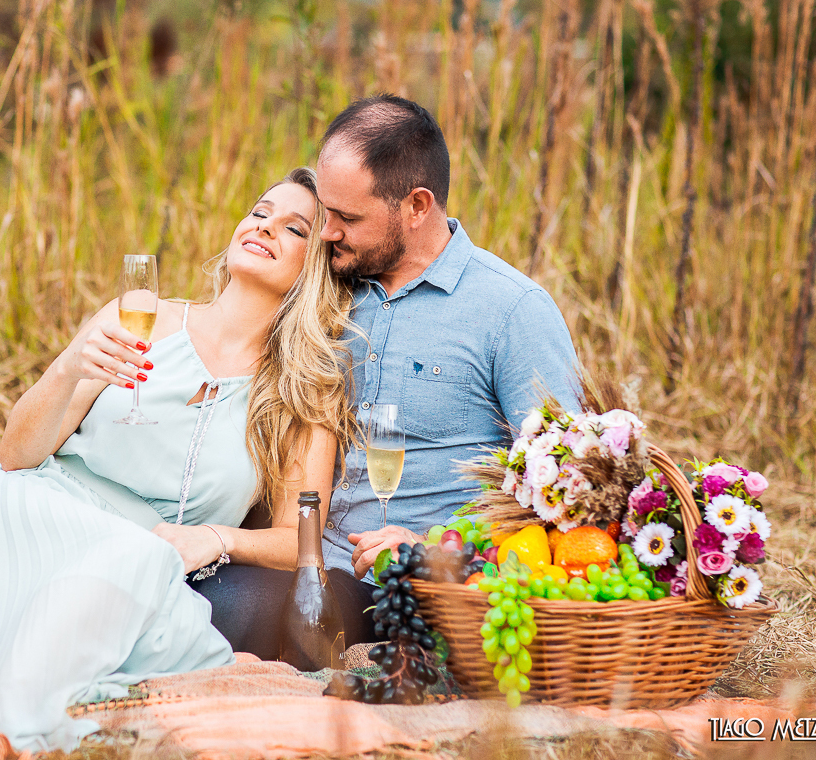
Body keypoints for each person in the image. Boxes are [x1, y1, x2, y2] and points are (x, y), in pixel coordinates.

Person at [0, 168, 358, 752]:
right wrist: (71, 364)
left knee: (127, 567)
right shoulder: (141, 316)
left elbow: (298, 542)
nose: (264, 227)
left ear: (315, 268)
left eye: (293, 228)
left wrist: (217, 539)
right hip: (39, 505)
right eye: (259, 212)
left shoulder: (300, 390)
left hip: (144, 552)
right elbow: (16, 455)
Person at [193, 94, 581, 655]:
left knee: (227, 610)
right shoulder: (324, 288)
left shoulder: (511, 310)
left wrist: (439, 546)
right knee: (189, 598)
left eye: (347, 218)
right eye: (324, 212)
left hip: (425, 588)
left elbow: (567, 487)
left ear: (417, 206)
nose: (326, 232)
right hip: (305, 564)